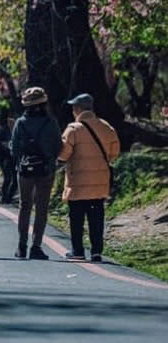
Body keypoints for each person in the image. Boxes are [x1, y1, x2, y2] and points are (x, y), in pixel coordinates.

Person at [59, 93, 120, 262]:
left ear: (78, 109)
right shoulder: (106, 127)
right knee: (96, 219)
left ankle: (78, 251)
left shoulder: (73, 129)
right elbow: (114, 153)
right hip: (99, 183)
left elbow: (63, 155)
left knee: (77, 219)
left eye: (73, 107)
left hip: (77, 183)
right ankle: (96, 252)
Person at [10, 87, 62, 260]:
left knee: (24, 206)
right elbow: (58, 146)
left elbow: (14, 148)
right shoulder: (51, 122)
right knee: (41, 207)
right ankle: (36, 246)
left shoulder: (20, 123)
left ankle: (21, 245)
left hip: (24, 169)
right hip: (45, 169)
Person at [0, 114, 17, 204]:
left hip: (15, 157)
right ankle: (5, 197)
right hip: (5, 157)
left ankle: (9, 196)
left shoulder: (19, 130)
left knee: (15, 178)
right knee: (8, 177)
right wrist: (3, 144)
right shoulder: (4, 131)